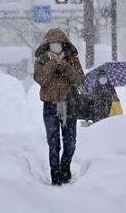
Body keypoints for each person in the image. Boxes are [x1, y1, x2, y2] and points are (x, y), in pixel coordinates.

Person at [33, 28, 84, 186]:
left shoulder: (72, 59)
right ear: (48, 45)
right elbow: (40, 79)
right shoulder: (42, 60)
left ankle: (65, 168)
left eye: (59, 43)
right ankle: (55, 176)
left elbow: (79, 80)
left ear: (64, 44)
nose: (56, 46)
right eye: (53, 43)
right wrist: (52, 64)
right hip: (50, 106)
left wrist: (65, 68)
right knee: (53, 143)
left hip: (70, 104)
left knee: (70, 142)